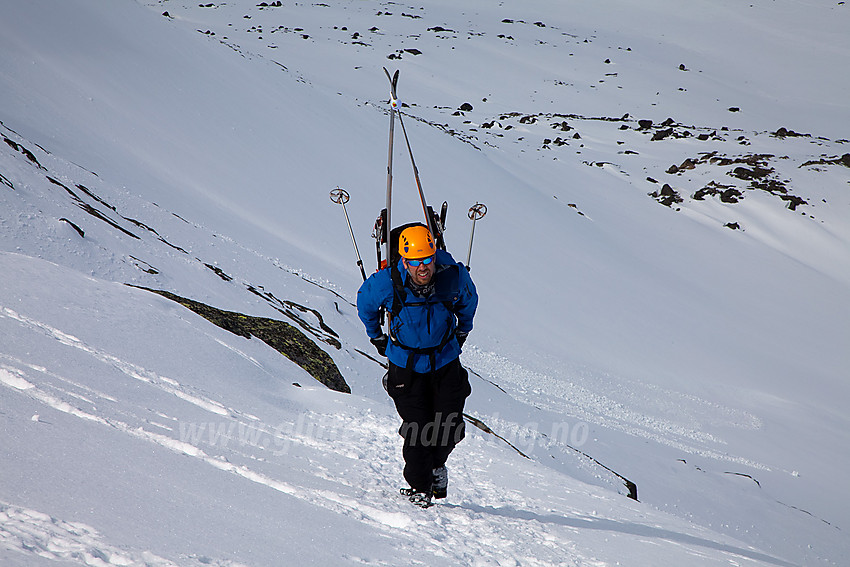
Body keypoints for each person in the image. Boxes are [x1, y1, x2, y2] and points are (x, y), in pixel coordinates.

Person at [357, 225, 478, 506]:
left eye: (427, 259)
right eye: (415, 261)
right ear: (404, 260)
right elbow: (365, 303)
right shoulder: (387, 282)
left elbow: (469, 300)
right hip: (406, 366)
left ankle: (437, 466)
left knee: (449, 426)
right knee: (417, 428)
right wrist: (376, 336)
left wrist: (463, 330)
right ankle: (420, 487)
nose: (423, 267)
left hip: (445, 361)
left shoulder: (452, 275)